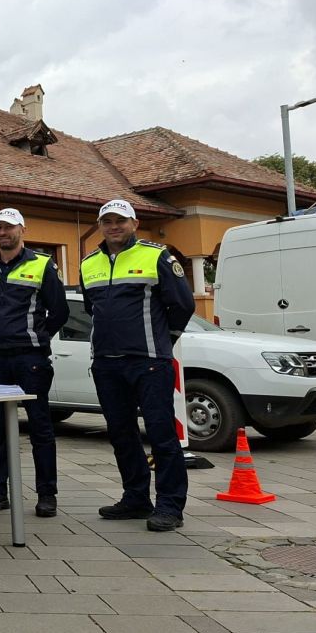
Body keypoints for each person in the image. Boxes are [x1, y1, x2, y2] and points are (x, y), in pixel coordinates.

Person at [80, 198, 195, 532]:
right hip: (106, 363)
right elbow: (91, 308)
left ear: (134, 223)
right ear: (100, 226)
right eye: (107, 221)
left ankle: (170, 506)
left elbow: (183, 305)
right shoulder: (88, 263)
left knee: (161, 434)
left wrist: (163, 340)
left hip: (149, 363)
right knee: (121, 433)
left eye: (120, 220)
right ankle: (135, 498)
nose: (114, 227)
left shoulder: (156, 256)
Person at [0, 208, 69, 518]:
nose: (4, 232)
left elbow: (60, 311)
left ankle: (47, 495)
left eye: (9, 227)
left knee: (40, 427)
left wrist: (36, 336)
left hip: (31, 359)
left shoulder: (42, 265)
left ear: (22, 230)